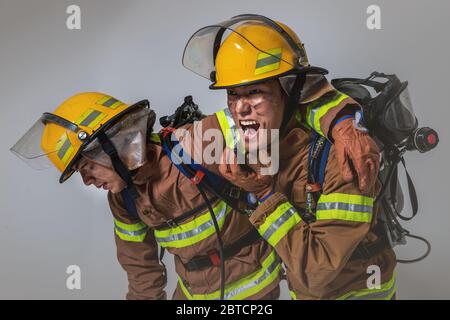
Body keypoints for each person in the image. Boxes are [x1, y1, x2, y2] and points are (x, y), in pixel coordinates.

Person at [178, 14, 397, 299]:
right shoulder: (259, 130)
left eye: (255, 91)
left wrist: (265, 195)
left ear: (290, 92)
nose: (240, 108)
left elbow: (315, 273)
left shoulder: (343, 159)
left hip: (357, 291)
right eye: (233, 94)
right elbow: (182, 139)